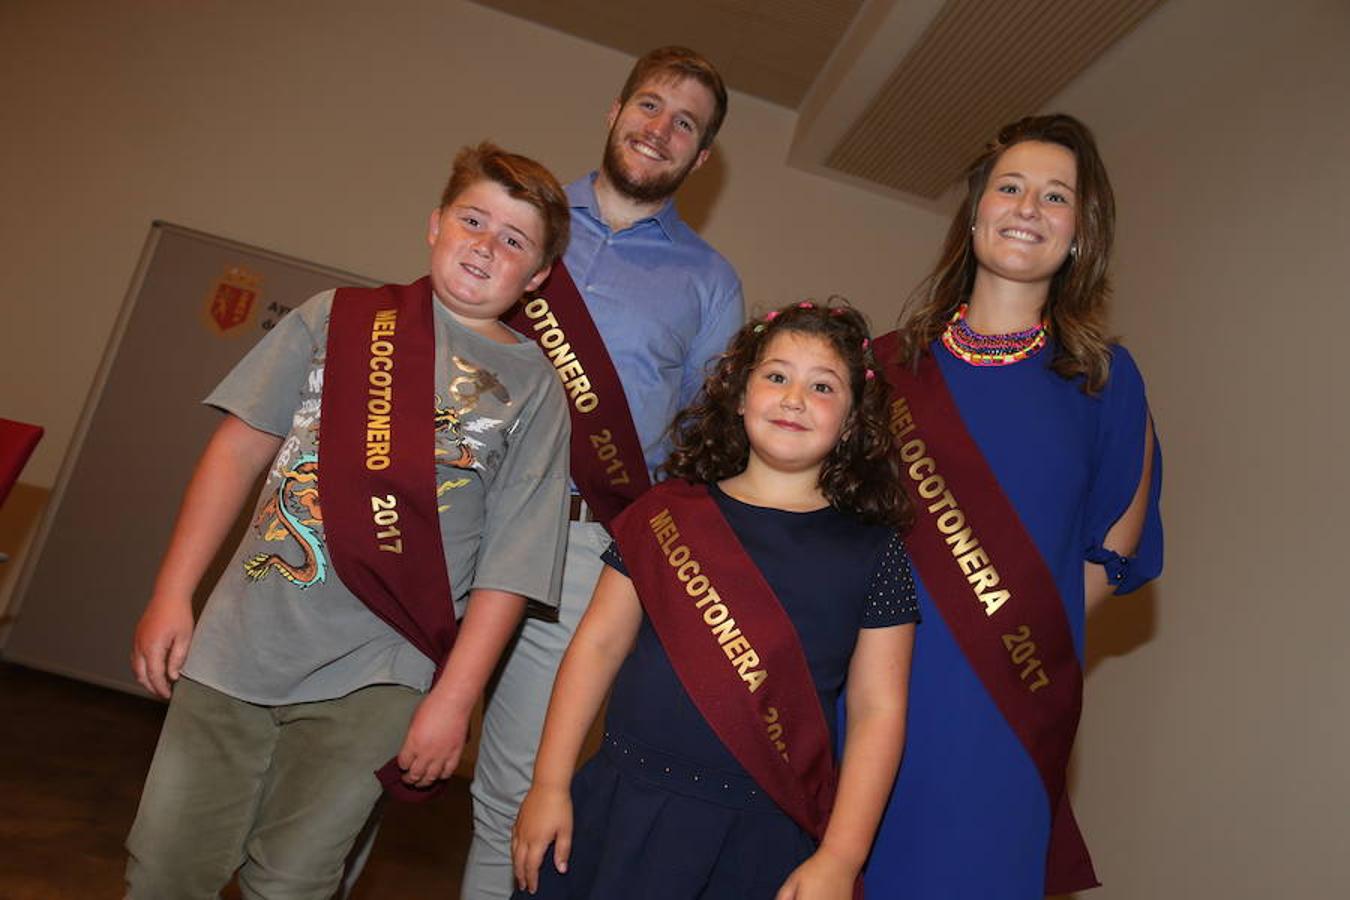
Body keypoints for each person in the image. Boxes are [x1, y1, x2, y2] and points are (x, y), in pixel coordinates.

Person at [124, 142, 573, 899]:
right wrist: (173, 591)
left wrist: (454, 700)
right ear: (434, 224)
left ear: (536, 278)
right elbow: (237, 451)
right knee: (167, 870)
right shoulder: (339, 316)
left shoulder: (536, 388)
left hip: (381, 676)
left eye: (513, 239)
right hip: (238, 644)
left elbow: (513, 566)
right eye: (473, 219)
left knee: (293, 882)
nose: (484, 245)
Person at [511, 301, 919, 900]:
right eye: (776, 376)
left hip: (763, 837)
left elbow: (878, 712)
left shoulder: (875, 554)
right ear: (738, 394)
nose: (794, 397)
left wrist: (840, 855)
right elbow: (596, 646)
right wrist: (549, 783)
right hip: (624, 805)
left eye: (823, 385)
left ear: (854, 420)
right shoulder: (663, 513)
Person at [465, 45, 744, 898]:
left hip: (582, 557)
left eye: (685, 123)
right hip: (452, 515)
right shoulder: (522, 216)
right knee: (373, 744)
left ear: (700, 159)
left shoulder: (711, 284)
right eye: (650, 105)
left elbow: (707, 451)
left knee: (515, 794)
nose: (660, 129)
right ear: (614, 112)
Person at [866, 114, 1164, 898]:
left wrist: (1013, 635)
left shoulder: (1106, 380)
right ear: (975, 214)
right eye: (1011, 187)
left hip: (1006, 707)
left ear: (1079, 234)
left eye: (1055, 195)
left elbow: (1116, 550)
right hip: (870, 693)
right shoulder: (882, 366)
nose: (1029, 206)